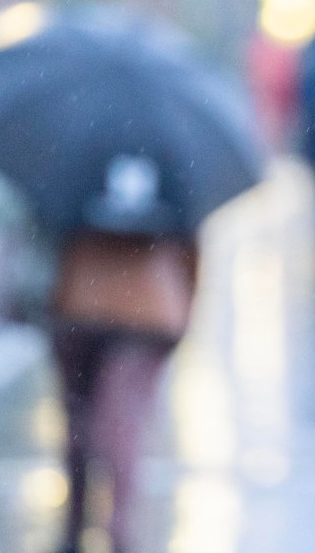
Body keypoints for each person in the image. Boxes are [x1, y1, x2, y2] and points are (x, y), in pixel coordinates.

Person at [51, 156, 198, 553]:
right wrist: (184, 309)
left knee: (80, 418)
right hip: (148, 307)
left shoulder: (72, 146)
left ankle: (75, 521)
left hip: (80, 299)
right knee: (123, 424)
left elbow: (49, 223)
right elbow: (191, 239)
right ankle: (118, 529)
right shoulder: (175, 150)